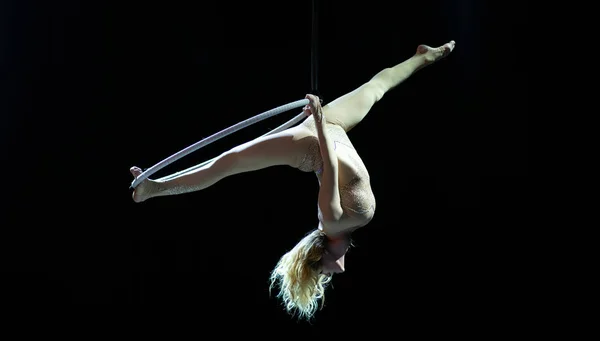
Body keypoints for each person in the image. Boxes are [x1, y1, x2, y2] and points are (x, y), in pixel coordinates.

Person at [129, 40, 456, 320]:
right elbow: (332, 173)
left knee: (225, 163)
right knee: (375, 89)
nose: (341, 266)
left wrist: (315, 117)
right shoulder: (352, 223)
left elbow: (326, 166)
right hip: (332, 130)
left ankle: (153, 188)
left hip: (312, 144)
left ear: (323, 254)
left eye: (331, 267)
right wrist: (322, 121)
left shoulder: (332, 222)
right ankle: (423, 56)